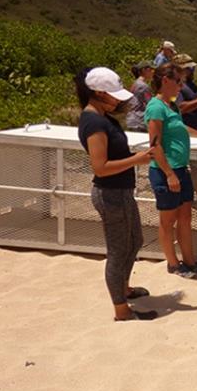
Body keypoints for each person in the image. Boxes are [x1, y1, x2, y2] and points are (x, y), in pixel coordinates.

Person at [75, 67, 157, 321]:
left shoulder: (103, 118)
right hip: (110, 193)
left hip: (119, 191)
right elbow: (100, 166)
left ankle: (124, 288)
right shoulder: (94, 122)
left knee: (134, 241)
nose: (118, 100)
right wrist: (137, 160)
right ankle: (121, 308)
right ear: (99, 93)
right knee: (118, 250)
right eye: (114, 95)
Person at [144, 63, 197, 280]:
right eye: (178, 82)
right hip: (167, 170)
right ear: (165, 80)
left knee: (185, 216)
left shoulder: (172, 106)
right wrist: (169, 174)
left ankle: (190, 261)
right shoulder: (156, 107)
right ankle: (173, 264)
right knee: (168, 220)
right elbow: (154, 145)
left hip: (180, 169)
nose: (180, 86)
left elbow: (180, 128)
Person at [126, 60, 154, 132]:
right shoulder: (143, 86)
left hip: (132, 119)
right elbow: (150, 104)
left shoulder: (136, 83)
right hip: (139, 121)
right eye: (151, 70)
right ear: (144, 70)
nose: (152, 72)